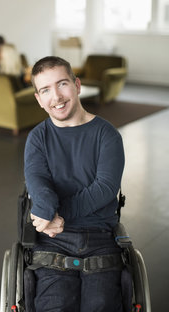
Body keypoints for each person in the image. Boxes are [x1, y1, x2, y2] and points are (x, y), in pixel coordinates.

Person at [24, 56, 125, 312]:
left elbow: (104, 189)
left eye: (62, 84)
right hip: (52, 240)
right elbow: (38, 183)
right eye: (45, 90)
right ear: (38, 99)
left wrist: (58, 215)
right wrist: (48, 212)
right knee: (54, 305)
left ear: (77, 85)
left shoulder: (107, 135)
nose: (56, 96)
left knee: (101, 305)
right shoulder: (37, 137)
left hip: (99, 237)